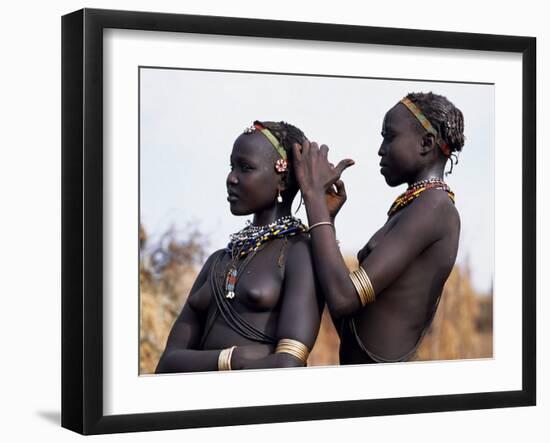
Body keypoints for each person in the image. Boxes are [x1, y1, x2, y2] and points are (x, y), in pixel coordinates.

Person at [292, 92, 465, 364]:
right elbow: (350, 323)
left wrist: (313, 197)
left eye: (390, 136)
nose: (381, 149)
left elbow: (341, 298)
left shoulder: (435, 208)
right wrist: (327, 219)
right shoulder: (415, 208)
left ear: (426, 142)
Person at [156, 121, 322, 373]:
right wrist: (235, 359)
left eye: (245, 168)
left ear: (283, 180)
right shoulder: (218, 261)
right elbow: (167, 364)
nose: (231, 178)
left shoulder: (299, 253)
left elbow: (289, 362)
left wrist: (204, 362)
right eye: (231, 166)